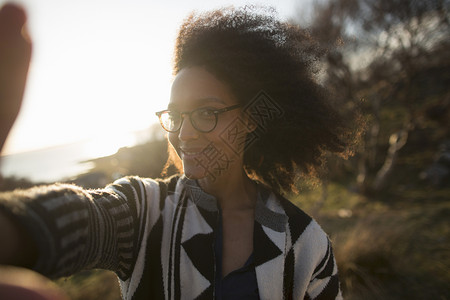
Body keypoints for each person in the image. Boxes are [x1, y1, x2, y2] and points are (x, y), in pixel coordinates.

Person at [0, 5, 356, 300]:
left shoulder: (307, 245)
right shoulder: (146, 210)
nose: (184, 134)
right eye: (175, 116)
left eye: (206, 113)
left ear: (249, 120)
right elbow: (86, 218)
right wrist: (13, 230)